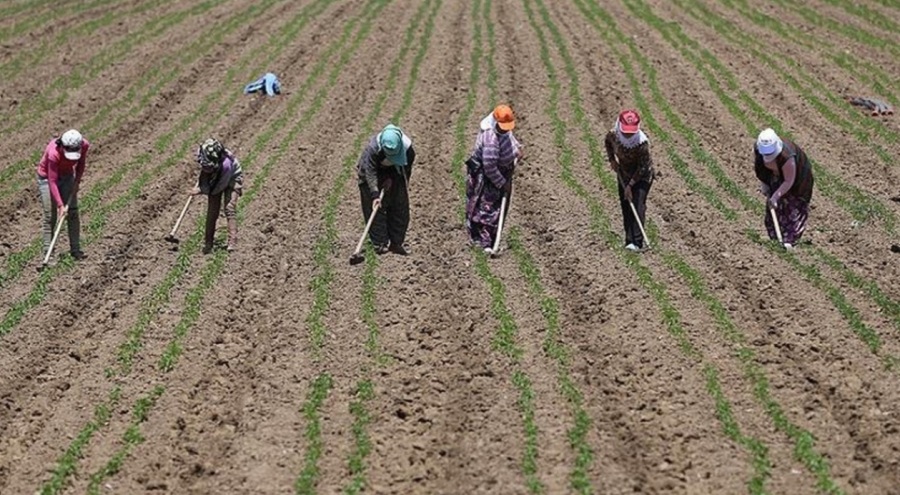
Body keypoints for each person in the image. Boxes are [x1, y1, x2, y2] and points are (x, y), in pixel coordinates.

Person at [465, 104, 521, 254]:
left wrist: (516, 151)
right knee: (486, 211)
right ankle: (484, 243)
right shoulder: (491, 138)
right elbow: (489, 166)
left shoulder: (503, 130)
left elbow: (510, 139)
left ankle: (489, 240)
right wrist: (502, 183)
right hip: (489, 177)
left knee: (494, 209)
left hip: (500, 173)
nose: (506, 128)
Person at [356, 124, 415, 255]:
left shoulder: (408, 149)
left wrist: (394, 179)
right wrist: (375, 194)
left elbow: (406, 170)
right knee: (375, 210)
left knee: (400, 207)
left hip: (395, 173)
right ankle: (379, 244)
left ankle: (396, 243)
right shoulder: (372, 150)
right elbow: (370, 172)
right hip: (370, 176)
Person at [754, 128, 814, 249]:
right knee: (773, 208)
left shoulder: (788, 157)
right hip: (775, 177)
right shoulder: (758, 150)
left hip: (797, 182)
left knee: (792, 207)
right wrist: (765, 185)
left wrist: (776, 196)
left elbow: (789, 181)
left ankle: (789, 240)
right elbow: (760, 168)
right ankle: (775, 237)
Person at [605, 109, 654, 251]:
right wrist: (612, 160)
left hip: (642, 175)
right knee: (626, 205)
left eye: (631, 132)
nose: (628, 134)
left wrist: (630, 185)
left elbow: (643, 167)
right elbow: (607, 143)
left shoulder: (642, 143)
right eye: (626, 131)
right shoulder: (614, 135)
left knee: (638, 204)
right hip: (624, 173)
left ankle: (637, 242)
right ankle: (629, 240)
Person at [37, 129, 89, 261]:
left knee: (72, 212)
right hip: (46, 179)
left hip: (67, 176)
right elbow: (52, 181)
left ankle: (75, 250)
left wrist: (77, 182)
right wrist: (60, 205)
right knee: (51, 216)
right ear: (62, 146)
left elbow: (81, 164)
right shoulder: (53, 153)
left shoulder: (84, 145)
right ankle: (48, 253)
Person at [190, 138, 243, 254]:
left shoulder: (226, 165)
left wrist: (202, 190)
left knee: (229, 208)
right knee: (212, 212)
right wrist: (202, 185)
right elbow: (204, 174)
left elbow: (218, 187)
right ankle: (208, 242)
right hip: (216, 174)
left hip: (232, 178)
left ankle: (232, 241)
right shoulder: (203, 153)